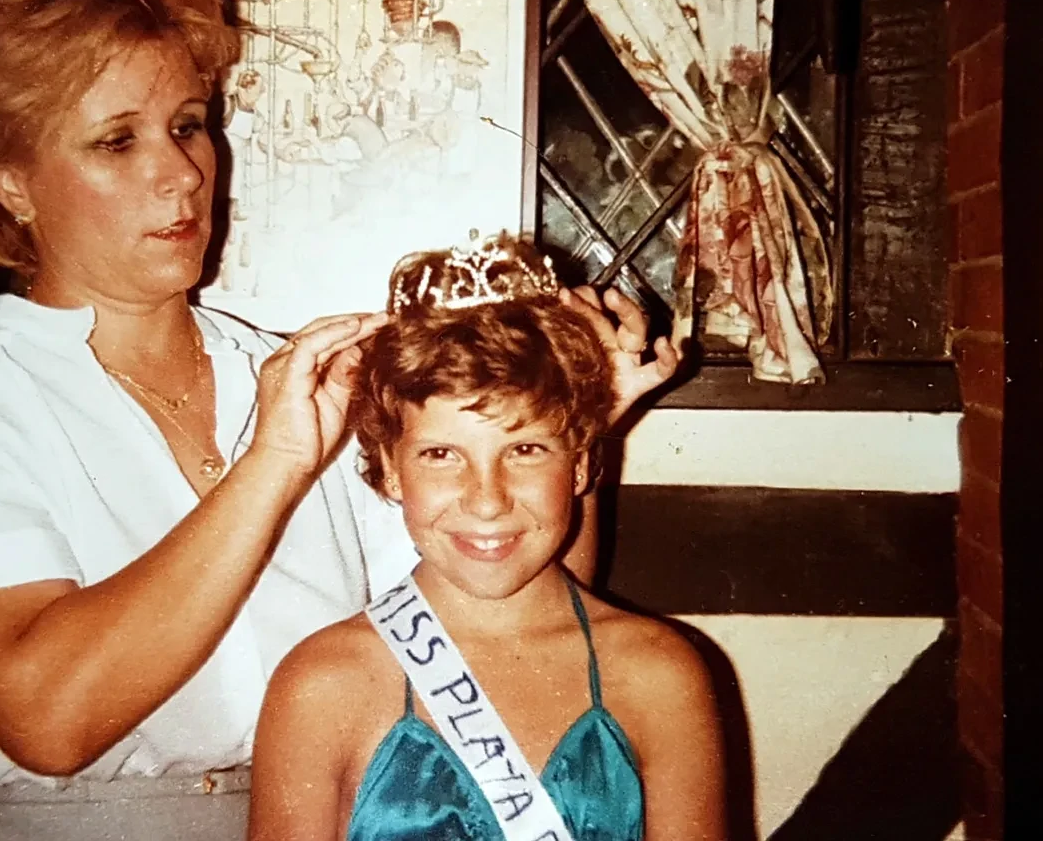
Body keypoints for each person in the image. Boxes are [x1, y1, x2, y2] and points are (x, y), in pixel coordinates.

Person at [0, 0, 680, 841]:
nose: (182, 173)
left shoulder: (306, 376)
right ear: (11, 183)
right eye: (117, 140)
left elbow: (496, 616)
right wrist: (274, 465)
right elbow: (48, 719)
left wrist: (577, 424)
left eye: (188, 125)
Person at [248, 233, 726, 841]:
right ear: (390, 469)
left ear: (580, 462)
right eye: (441, 454)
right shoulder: (320, 684)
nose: (487, 499)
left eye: (525, 450)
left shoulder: (660, 673)